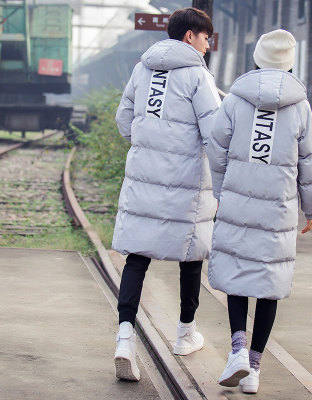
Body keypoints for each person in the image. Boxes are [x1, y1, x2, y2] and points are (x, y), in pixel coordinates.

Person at [207, 29, 312, 394]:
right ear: (290, 63)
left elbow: (216, 146)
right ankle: (253, 368)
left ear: (256, 59)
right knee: (269, 283)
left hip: (238, 201)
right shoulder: (300, 107)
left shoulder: (236, 100)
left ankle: (237, 350)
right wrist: (311, 207)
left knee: (238, 273)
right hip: (278, 209)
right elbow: (309, 162)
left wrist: (221, 188)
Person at [112, 7, 221, 381]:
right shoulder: (197, 76)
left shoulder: (142, 69)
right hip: (186, 181)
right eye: (205, 37)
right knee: (191, 254)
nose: (207, 45)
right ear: (190, 36)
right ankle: (185, 333)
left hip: (143, 177)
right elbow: (214, 133)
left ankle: (124, 338)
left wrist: (147, 145)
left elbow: (124, 119)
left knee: (136, 255)